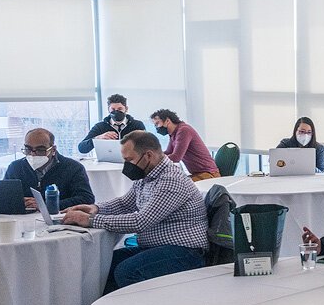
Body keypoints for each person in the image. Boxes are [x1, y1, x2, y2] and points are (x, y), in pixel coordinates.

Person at [61, 130, 208, 290]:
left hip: (185, 251)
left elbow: (140, 222)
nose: (126, 165)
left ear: (148, 156)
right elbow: (126, 203)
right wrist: (95, 209)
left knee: (127, 272)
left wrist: (90, 220)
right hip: (159, 246)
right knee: (103, 264)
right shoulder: (147, 174)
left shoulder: (170, 180)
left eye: (129, 160)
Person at [3, 127, 93, 211]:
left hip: (59, 218)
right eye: (28, 149)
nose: (33, 154)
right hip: (23, 219)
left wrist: (48, 205)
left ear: (53, 150)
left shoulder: (73, 168)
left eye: (40, 150)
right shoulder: (15, 167)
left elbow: (86, 199)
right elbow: (3, 196)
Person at [150, 109, 219, 181]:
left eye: (157, 123)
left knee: (177, 186)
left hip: (209, 174)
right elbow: (168, 152)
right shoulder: (174, 133)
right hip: (198, 173)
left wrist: (155, 161)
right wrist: (154, 156)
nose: (156, 127)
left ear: (167, 121)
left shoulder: (184, 130)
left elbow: (176, 157)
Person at [77, 94, 145, 155]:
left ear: (126, 109)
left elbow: (147, 146)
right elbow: (82, 148)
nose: (116, 111)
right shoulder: (100, 127)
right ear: (108, 109)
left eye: (120, 109)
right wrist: (97, 138)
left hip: (132, 163)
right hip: (107, 165)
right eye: (113, 109)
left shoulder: (137, 125)